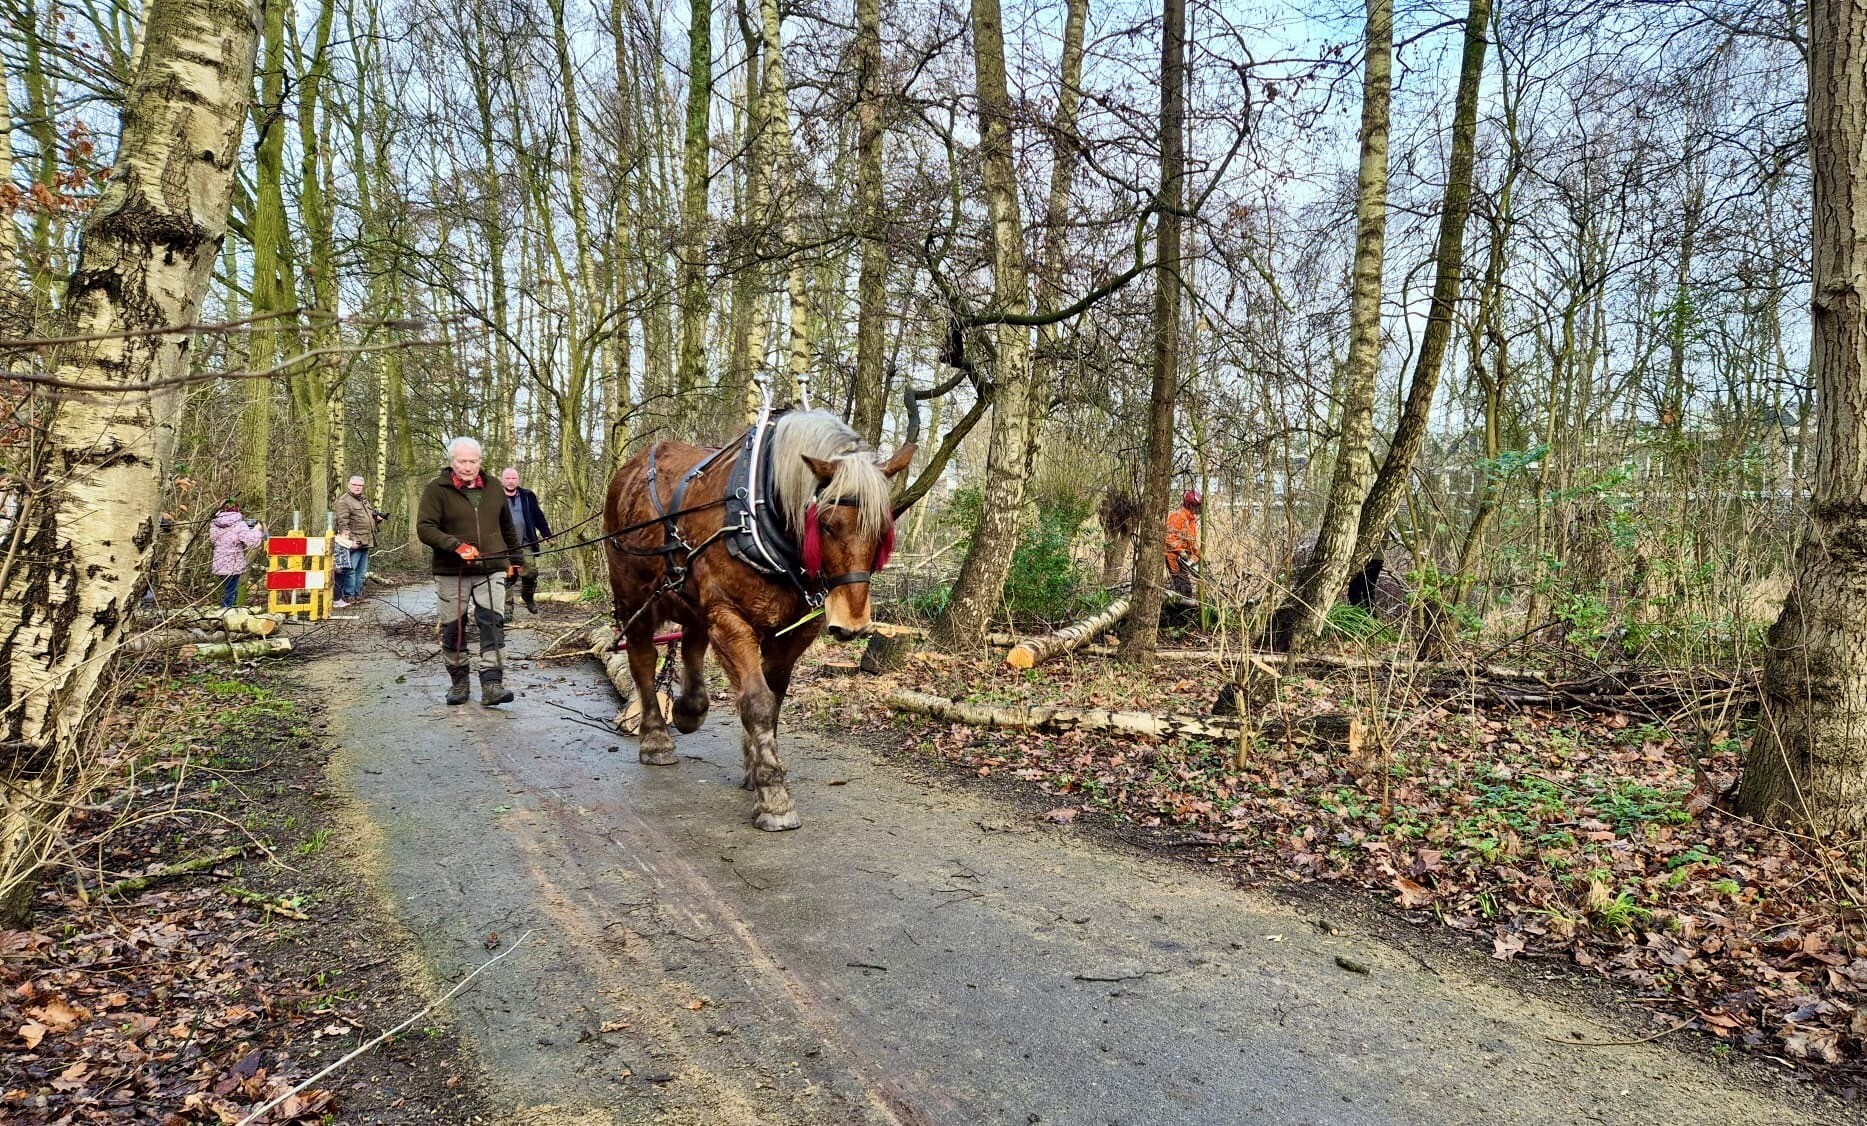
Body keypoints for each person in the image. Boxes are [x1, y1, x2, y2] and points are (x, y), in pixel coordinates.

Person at [417, 437, 524, 706]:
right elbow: (425, 528)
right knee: (455, 627)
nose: (468, 467)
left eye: (473, 461)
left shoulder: (494, 487)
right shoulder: (436, 490)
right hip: (452, 571)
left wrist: (515, 559)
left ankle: (492, 684)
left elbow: (507, 527)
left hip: (492, 567)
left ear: (480, 461)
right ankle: (459, 681)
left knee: (493, 623)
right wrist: (456, 546)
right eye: (462, 461)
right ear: (452, 462)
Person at [497, 466, 554, 621]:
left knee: (530, 572)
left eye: (513, 478)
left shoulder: (528, 496)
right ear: (502, 480)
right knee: (505, 577)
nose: (510, 481)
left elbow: (538, 517)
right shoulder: (494, 497)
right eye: (507, 478)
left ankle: (527, 596)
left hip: (525, 542)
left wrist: (547, 535)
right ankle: (507, 610)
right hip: (503, 545)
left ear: (518, 480)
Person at [332, 474, 381, 607]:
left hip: (366, 540)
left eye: (360, 485)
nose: (357, 487)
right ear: (349, 485)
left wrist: (376, 521)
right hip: (354, 542)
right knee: (350, 570)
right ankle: (348, 596)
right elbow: (343, 523)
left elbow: (365, 519)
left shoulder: (363, 500)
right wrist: (349, 541)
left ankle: (357, 594)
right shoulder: (344, 501)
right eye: (355, 485)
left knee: (361, 572)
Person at [208, 502, 266, 609]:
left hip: (219, 563)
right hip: (233, 564)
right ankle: (225, 614)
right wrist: (257, 530)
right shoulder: (239, 524)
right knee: (231, 592)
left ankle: (225, 611)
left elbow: (214, 539)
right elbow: (252, 541)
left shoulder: (214, 523)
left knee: (228, 590)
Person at [1164, 489, 1201, 597]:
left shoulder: (1191, 520)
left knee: (1191, 585)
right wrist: (1181, 552)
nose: (1198, 509)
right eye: (1197, 506)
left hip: (1185, 557)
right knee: (1184, 589)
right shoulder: (1177, 516)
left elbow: (1191, 542)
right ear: (1191, 505)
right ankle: (1178, 609)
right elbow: (1169, 538)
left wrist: (1199, 555)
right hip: (1174, 557)